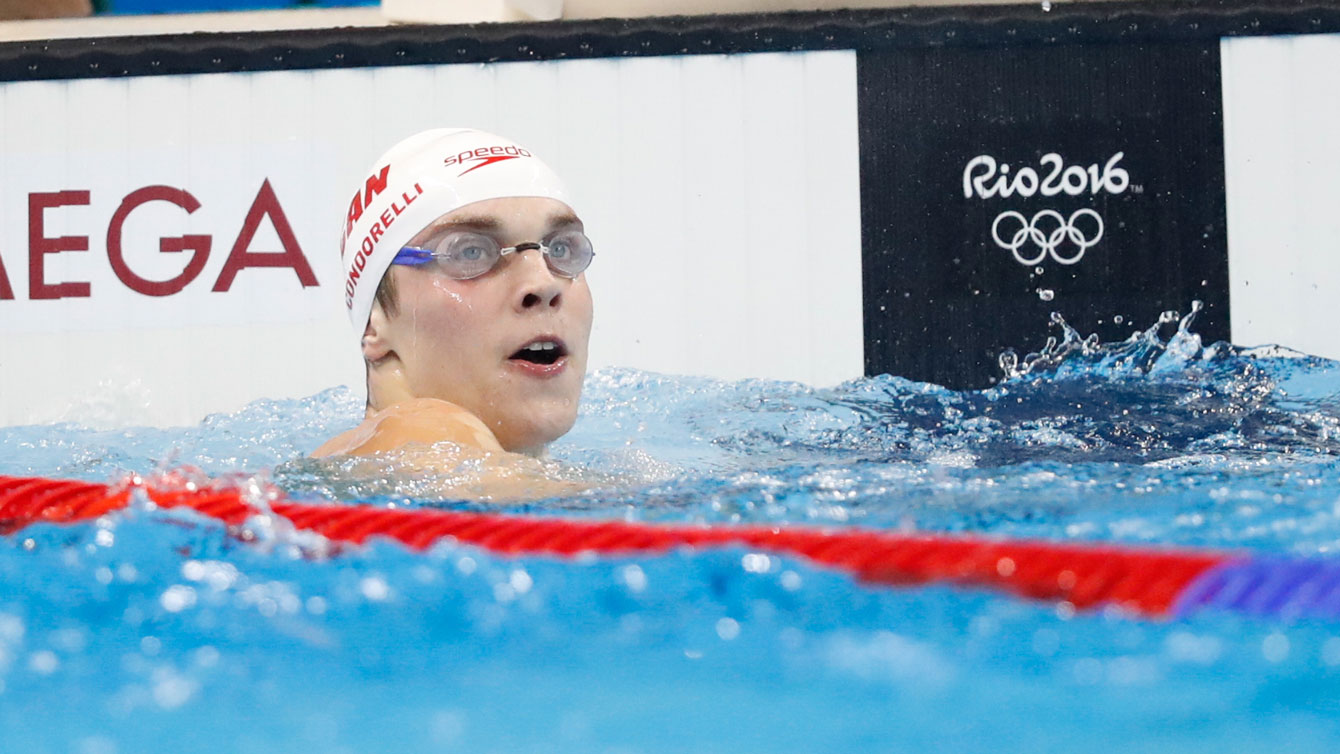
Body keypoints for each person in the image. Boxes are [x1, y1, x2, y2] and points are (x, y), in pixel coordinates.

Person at [312, 129, 594, 493]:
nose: (543, 284)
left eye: (560, 249)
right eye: (470, 253)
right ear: (375, 322)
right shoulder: (420, 430)